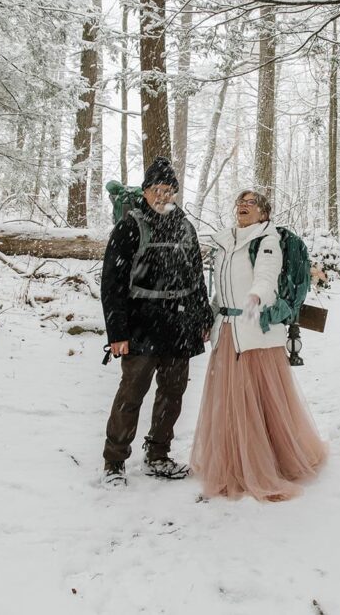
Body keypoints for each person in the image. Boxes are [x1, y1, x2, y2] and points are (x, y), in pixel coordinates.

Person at [190, 189, 328, 501]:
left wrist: (256, 298)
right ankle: (232, 462)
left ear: (263, 213)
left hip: (256, 334)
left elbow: (266, 278)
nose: (243, 206)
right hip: (226, 333)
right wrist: (211, 315)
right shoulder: (224, 242)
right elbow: (221, 289)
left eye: (251, 203)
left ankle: (265, 464)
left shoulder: (268, 241)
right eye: (240, 201)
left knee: (257, 404)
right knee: (229, 404)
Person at [100, 157, 213, 487]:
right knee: (131, 394)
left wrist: (202, 316)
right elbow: (113, 282)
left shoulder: (185, 227)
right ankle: (114, 461)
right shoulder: (130, 226)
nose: (162, 196)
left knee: (172, 394)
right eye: (156, 190)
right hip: (141, 325)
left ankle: (158, 455)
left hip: (179, 326)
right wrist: (117, 332)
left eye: (168, 190)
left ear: (176, 193)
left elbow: (196, 277)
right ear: (146, 192)